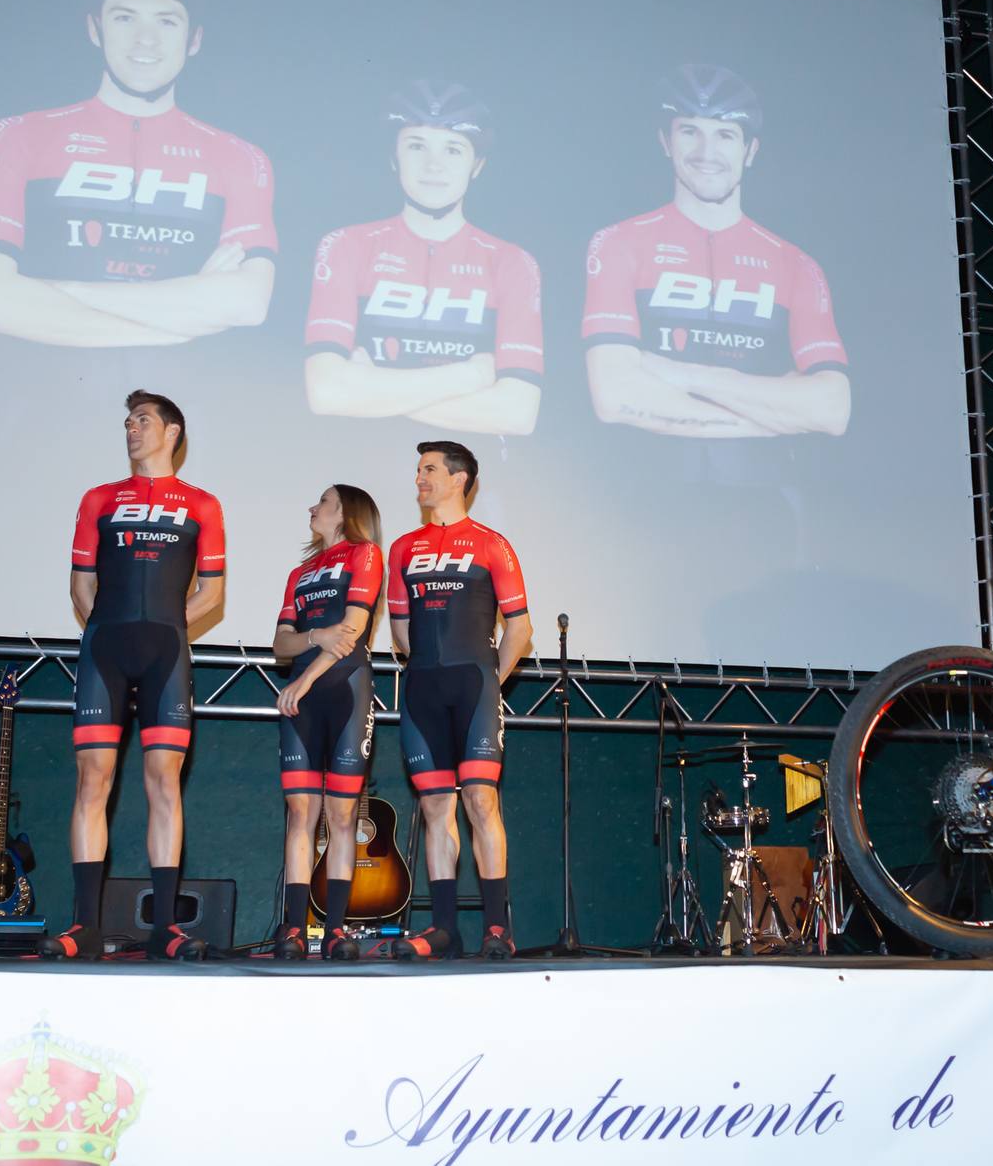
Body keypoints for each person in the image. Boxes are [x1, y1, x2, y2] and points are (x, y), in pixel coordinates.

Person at [0, 0, 278, 346]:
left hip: (183, 387)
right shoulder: (16, 137)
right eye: (124, 17)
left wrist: (48, 292)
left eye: (167, 21)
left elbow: (247, 303)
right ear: (95, 29)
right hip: (33, 384)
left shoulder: (240, 158)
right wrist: (182, 316)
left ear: (194, 39)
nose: (146, 39)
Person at [42, 390, 225, 961]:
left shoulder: (202, 504)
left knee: (163, 782)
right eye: (127, 421)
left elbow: (211, 592)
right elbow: (81, 586)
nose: (131, 428)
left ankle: (165, 927)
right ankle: (84, 926)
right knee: (92, 780)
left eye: (142, 420)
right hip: (106, 651)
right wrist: (110, 629)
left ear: (172, 432)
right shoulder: (99, 498)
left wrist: (165, 626)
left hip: (165, 652)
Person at [582, 63, 851, 437]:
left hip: (767, 476)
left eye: (725, 135)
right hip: (641, 474)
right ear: (665, 142)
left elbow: (832, 410)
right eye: (689, 131)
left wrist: (683, 374)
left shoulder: (796, 265)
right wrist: (776, 419)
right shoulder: (618, 243)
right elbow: (615, 398)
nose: (706, 152)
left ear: (750, 151)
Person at [304, 81, 542, 434]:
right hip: (355, 455)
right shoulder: (346, 246)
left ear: (477, 165)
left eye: (453, 150)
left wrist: (369, 389)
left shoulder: (512, 263)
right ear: (393, 158)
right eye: (416, 146)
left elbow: (517, 414)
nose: (434, 165)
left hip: (469, 461)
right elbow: (326, 393)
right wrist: (470, 376)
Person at [386, 441, 532, 959]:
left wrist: (492, 680)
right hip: (423, 689)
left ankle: (497, 927)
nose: (419, 478)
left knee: (480, 801)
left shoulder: (492, 544)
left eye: (429, 469)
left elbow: (520, 629)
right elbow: (400, 632)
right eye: (417, 469)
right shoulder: (403, 548)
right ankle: (444, 928)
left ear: (459, 479)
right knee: (435, 806)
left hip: (474, 689)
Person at [271, 484, 385, 961]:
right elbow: (281, 644)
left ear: (346, 513)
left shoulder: (365, 553)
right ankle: (295, 928)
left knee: (342, 817)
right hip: (302, 701)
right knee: (301, 814)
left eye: (323, 501)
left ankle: (335, 928)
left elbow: (352, 631)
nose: (312, 507)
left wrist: (306, 677)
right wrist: (317, 634)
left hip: (345, 691)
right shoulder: (299, 573)